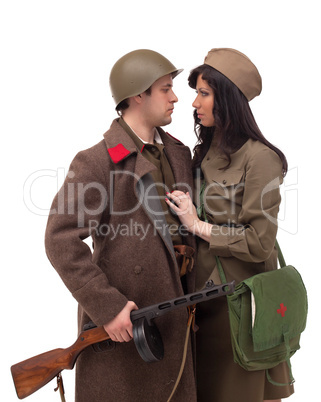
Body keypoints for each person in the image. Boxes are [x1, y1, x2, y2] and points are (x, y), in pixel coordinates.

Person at [45, 49, 197, 402]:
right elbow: (59, 239)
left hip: (179, 319)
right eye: (165, 88)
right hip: (127, 324)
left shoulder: (178, 153)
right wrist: (108, 307)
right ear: (137, 95)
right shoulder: (96, 162)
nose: (175, 97)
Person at [165, 48, 294, 402]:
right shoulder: (205, 151)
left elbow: (260, 242)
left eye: (204, 93)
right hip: (200, 302)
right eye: (196, 93)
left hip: (239, 306)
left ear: (228, 100)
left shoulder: (261, 158)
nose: (194, 103)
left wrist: (197, 224)